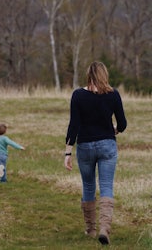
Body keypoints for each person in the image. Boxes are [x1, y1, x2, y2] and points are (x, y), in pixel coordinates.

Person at [64, 61, 127, 245]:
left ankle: (91, 229)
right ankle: (104, 229)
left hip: (85, 146)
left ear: (88, 75)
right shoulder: (113, 94)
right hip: (107, 145)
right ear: (104, 75)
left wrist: (68, 153)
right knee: (106, 185)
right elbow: (122, 124)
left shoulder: (78, 95)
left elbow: (73, 125)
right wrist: (113, 129)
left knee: (89, 186)